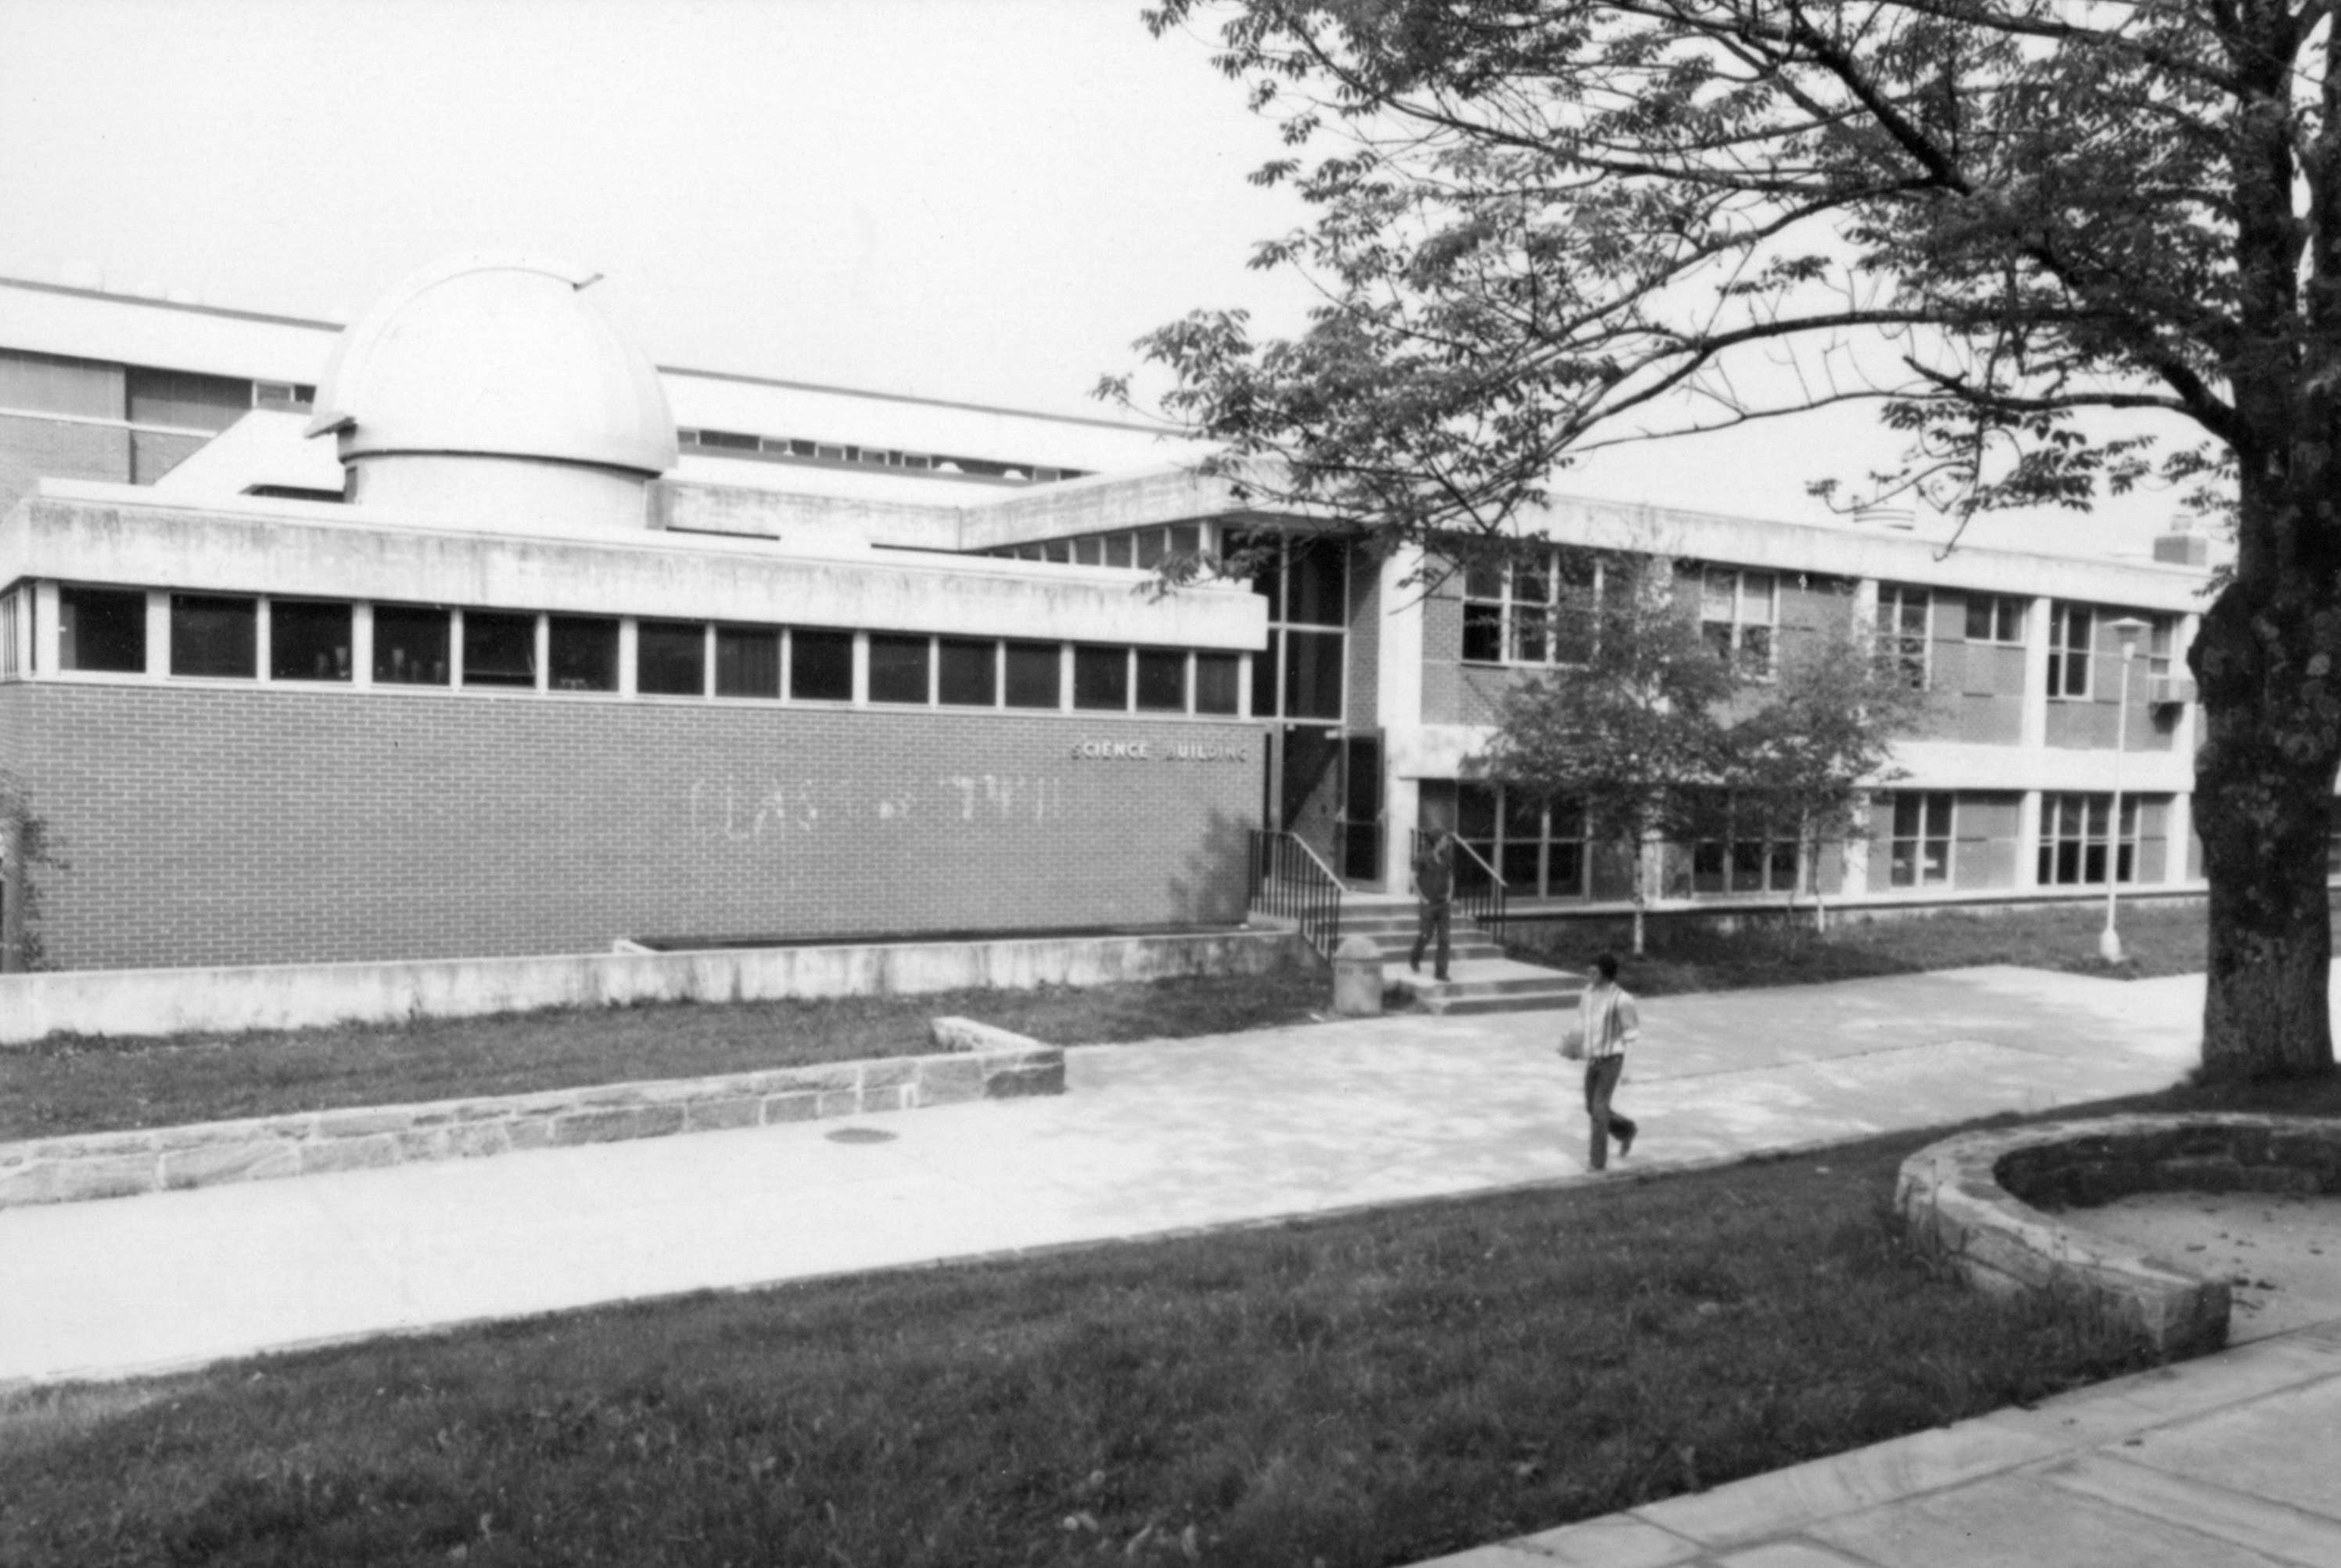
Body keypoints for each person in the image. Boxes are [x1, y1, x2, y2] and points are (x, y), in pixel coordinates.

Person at [1579, 951, 1640, 1171]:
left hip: (1612, 1061)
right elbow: (1587, 1024)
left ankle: (1597, 1165)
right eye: (1588, 971)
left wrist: (1627, 1070)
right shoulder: (1587, 994)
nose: (1589, 975)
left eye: (1594, 971)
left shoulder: (1623, 1001)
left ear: (1605, 973)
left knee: (1598, 1109)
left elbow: (1631, 1036)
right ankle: (1626, 1130)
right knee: (1591, 1107)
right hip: (1593, 1060)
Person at [1409, 832, 1455, 981]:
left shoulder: (1446, 858)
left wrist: (1449, 894)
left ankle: (1441, 972)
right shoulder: (1422, 857)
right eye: (1444, 840)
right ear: (1437, 841)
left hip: (1443, 904)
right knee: (1426, 934)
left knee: (1444, 938)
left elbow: (1451, 876)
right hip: (1428, 904)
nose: (1447, 842)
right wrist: (1422, 898)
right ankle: (1415, 957)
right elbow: (1413, 879)